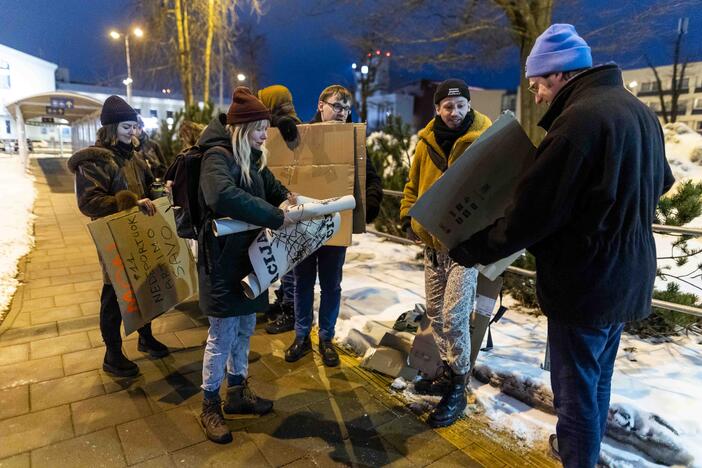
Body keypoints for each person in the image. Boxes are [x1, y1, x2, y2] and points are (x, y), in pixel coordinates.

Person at [448, 24, 674, 467]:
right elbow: (661, 183)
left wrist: (472, 248)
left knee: (574, 399)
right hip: (627, 275)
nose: (536, 96)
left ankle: (578, 457)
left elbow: (532, 215)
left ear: (558, 74)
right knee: (595, 384)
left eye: (537, 85)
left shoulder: (578, 122)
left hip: (586, 283)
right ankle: (583, 450)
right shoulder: (638, 112)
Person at [196, 87, 293, 444]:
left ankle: (237, 392)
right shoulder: (217, 157)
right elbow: (221, 194)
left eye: (266, 128)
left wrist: (292, 200)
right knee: (221, 335)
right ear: (240, 129)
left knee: (245, 328)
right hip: (221, 260)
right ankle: (209, 405)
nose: (265, 135)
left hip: (250, 258)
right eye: (258, 128)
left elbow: (273, 188)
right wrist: (274, 214)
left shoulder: (251, 157)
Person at [399, 79, 492, 427]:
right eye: (448, 107)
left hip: (464, 247)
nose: (455, 113)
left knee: (454, 317)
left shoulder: (483, 140)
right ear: (437, 109)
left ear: (469, 106)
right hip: (432, 245)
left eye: (461, 106)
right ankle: (448, 370)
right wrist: (408, 216)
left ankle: (459, 385)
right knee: (436, 314)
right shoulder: (426, 143)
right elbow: (412, 185)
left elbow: (495, 188)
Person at [68, 95, 170, 378]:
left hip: (139, 235)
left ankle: (145, 338)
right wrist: (129, 202)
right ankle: (112, 354)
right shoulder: (96, 161)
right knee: (114, 294)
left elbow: (149, 187)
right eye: (127, 127)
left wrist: (161, 192)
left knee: (145, 287)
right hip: (113, 238)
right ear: (111, 128)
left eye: (135, 127)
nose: (133, 132)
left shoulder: (135, 157)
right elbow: (89, 202)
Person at [284, 84, 383, 367]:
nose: (342, 112)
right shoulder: (302, 136)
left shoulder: (354, 140)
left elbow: (372, 179)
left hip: (335, 225)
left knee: (331, 285)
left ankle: (326, 338)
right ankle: (301, 336)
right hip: (304, 226)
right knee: (303, 282)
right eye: (337, 106)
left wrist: (370, 203)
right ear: (320, 105)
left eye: (346, 108)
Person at [256, 84, 302, 333]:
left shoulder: (285, 126)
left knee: (289, 262)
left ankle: (290, 310)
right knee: (285, 261)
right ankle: (284, 300)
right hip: (283, 203)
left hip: (289, 204)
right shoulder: (281, 125)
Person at [135, 115, 168, 180]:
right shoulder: (127, 146)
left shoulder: (153, 145)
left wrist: (153, 164)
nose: (131, 130)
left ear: (140, 128)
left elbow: (164, 168)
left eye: (134, 127)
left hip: (152, 183)